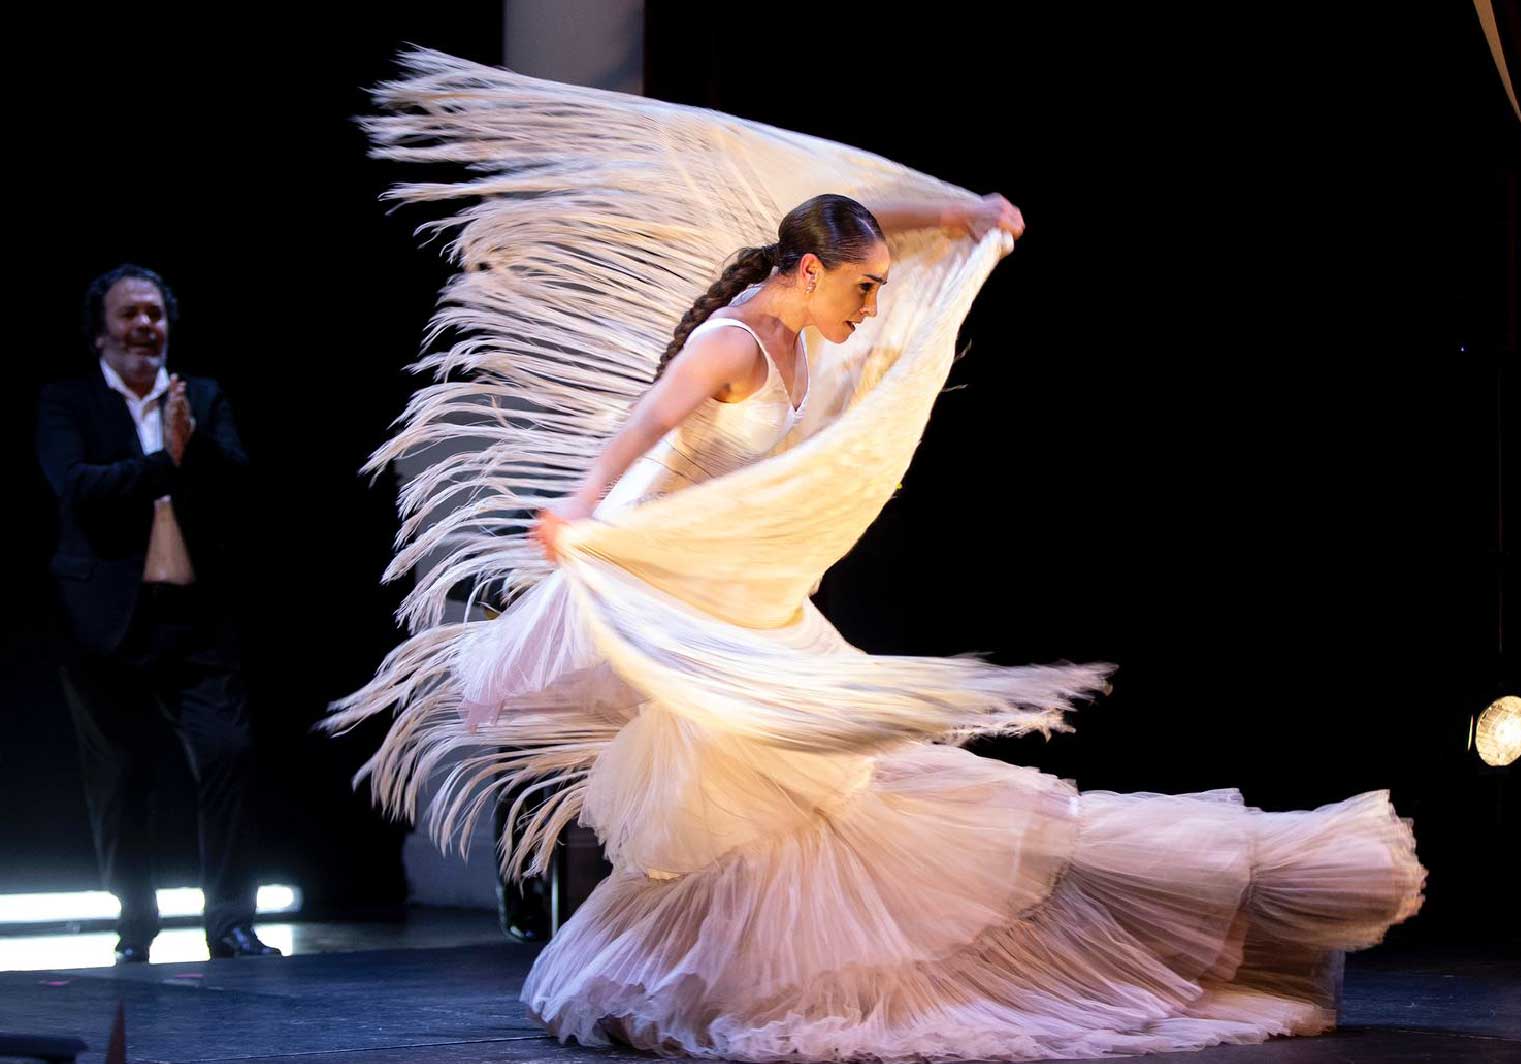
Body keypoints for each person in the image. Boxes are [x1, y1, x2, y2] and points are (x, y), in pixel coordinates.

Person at [326, 51, 1424, 1062]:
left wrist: (961, 212)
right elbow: (644, 422)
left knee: (838, 791)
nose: (871, 307)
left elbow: (870, 222)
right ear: (805, 272)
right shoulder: (732, 341)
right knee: (779, 796)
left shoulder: (801, 317)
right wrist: (574, 512)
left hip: (750, 603)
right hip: (685, 599)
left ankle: (1219, 900)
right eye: (861, 289)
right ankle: (772, 974)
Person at [36, 265, 279, 963]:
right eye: (129, 314)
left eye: (155, 314)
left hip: (196, 617)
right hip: (104, 623)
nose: (145, 325)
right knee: (119, 780)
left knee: (228, 755)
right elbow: (77, 489)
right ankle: (136, 929)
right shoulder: (67, 401)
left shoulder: (197, 396)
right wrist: (166, 462)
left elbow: (237, 483)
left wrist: (189, 445)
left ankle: (231, 923)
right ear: (100, 332)